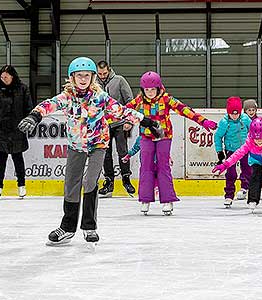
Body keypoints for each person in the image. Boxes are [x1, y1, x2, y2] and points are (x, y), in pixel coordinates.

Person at [18, 57, 161, 246]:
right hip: (76, 146)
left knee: (90, 181)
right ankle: (67, 228)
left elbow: (122, 111)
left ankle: (89, 227)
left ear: (93, 77)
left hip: (98, 145)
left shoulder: (100, 97)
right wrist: (34, 116)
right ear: (72, 77)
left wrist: (147, 122)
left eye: (87, 75)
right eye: (79, 75)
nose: (83, 79)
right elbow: (48, 104)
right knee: (71, 184)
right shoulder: (67, 97)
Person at [125, 71, 217, 215]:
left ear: (158, 88)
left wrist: (202, 121)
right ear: (143, 90)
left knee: (163, 167)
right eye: (147, 90)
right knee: (146, 167)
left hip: (164, 137)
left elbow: (184, 109)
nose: (149, 93)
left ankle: (167, 199)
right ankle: (145, 199)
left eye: (152, 89)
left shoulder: (166, 99)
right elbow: (123, 111)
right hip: (146, 137)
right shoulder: (139, 100)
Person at [0, 65, 33, 200]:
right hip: (1, 129)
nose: (4, 79)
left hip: (17, 129)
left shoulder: (23, 89)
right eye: (2, 77)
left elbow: (29, 108)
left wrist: (28, 123)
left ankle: (21, 185)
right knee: (1, 160)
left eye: (6, 77)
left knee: (18, 158)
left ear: (12, 76)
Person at [96, 60, 135, 197]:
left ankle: (126, 178)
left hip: (119, 123)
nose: (102, 76)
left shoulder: (119, 80)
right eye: (100, 73)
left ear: (109, 70)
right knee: (105, 154)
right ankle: (109, 182)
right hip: (103, 125)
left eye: (104, 73)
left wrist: (129, 120)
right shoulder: (94, 83)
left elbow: (130, 101)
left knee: (122, 151)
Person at [214, 96, 252, 207]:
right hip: (231, 150)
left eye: (237, 113)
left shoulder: (245, 119)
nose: (234, 116)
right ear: (228, 112)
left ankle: (246, 189)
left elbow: (253, 130)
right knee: (231, 173)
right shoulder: (224, 123)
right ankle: (229, 195)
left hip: (245, 149)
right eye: (232, 114)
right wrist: (220, 152)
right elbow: (217, 137)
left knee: (247, 170)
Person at [121, 135, 173, 213]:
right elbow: (135, 148)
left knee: (163, 181)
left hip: (159, 164)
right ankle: (145, 201)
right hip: (147, 165)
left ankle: (168, 202)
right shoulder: (141, 138)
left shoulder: (160, 136)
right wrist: (128, 156)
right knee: (146, 182)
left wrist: (168, 158)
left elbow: (163, 150)